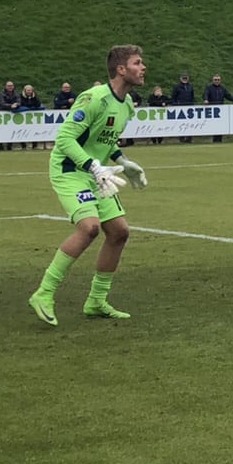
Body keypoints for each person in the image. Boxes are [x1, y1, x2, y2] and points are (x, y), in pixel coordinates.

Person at [27, 45, 150, 326]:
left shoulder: (128, 105)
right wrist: (93, 166)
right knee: (90, 227)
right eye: (138, 63)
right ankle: (44, 294)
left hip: (98, 172)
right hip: (70, 170)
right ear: (121, 69)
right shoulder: (93, 98)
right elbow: (65, 141)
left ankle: (96, 302)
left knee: (119, 232)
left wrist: (123, 160)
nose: (143, 68)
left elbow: (105, 142)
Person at [203, 74, 231, 142]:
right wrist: (206, 99)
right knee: (214, 126)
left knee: (220, 125)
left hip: (220, 110)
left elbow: (228, 95)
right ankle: (215, 140)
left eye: (218, 80)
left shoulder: (222, 88)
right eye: (215, 80)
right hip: (212, 110)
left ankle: (219, 140)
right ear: (213, 80)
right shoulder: (209, 87)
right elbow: (205, 94)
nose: (217, 81)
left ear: (220, 80)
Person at [0, 81, 19, 151]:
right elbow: (2, 103)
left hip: (12, 115)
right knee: (0, 130)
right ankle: (0, 146)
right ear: (6, 86)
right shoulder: (2, 93)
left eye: (11, 86)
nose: (10, 87)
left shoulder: (16, 93)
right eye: (8, 86)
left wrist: (16, 104)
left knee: (11, 130)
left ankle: (9, 146)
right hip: (1, 114)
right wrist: (11, 106)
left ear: (13, 86)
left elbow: (19, 101)